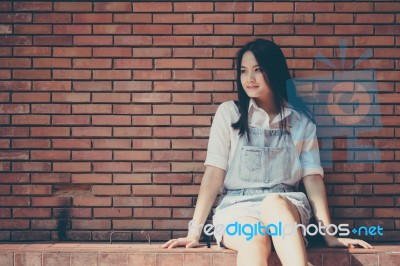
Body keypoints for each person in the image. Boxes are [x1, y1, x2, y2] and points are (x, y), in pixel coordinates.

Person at [162, 39, 372, 266]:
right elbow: (214, 175)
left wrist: (329, 235)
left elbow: (312, 179)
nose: (249, 78)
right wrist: (194, 232)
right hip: (237, 208)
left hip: (287, 205)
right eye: (243, 71)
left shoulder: (301, 122)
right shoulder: (229, 114)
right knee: (253, 239)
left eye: (258, 70)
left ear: (274, 71)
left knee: (274, 202)